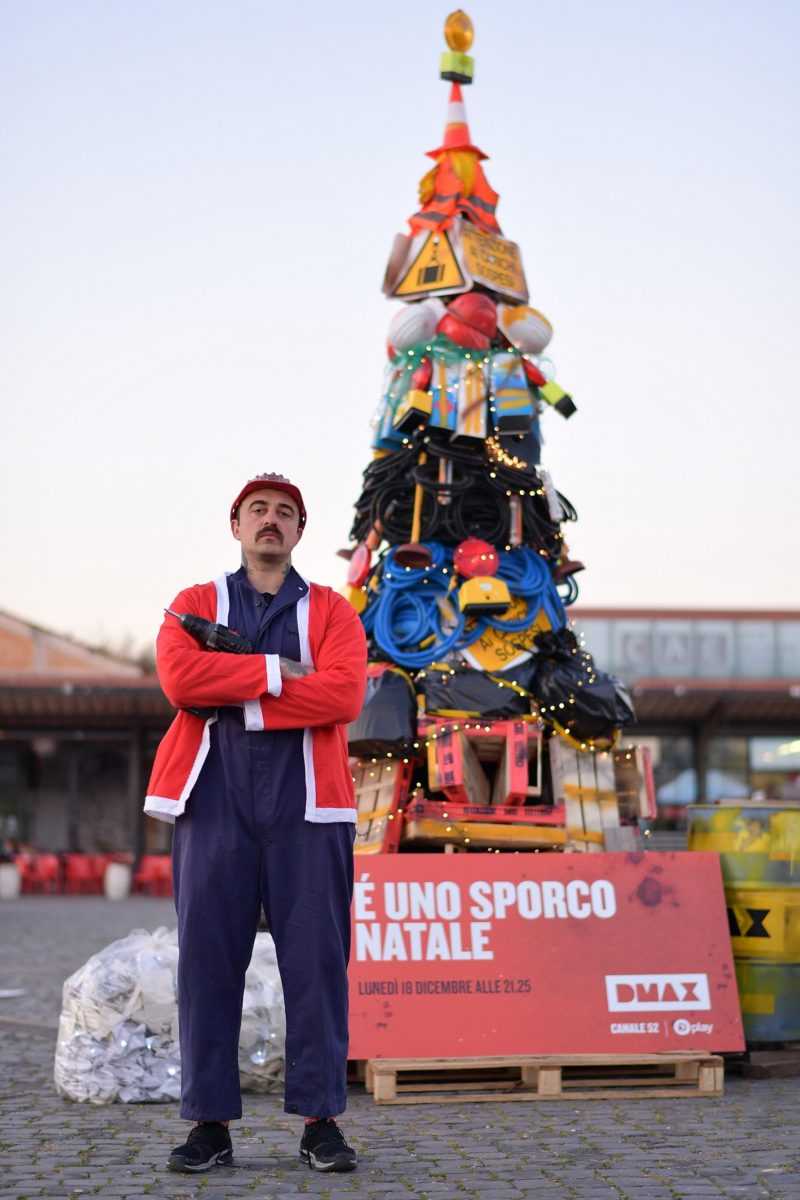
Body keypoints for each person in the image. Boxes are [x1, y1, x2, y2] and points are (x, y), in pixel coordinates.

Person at [144, 473, 367, 1175]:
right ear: (235, 524)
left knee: (317, 967)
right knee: (208, 964)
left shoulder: (334, 610)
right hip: (213, 799)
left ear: (300, 533)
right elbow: (181, 682)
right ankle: (209, 1124)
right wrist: (279, 671)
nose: (272, 521)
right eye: (259, 511)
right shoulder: (194, 602)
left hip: (309, 805)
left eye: (286, 514)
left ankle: (320, 1121)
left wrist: (237, 687)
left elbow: (345, 694)